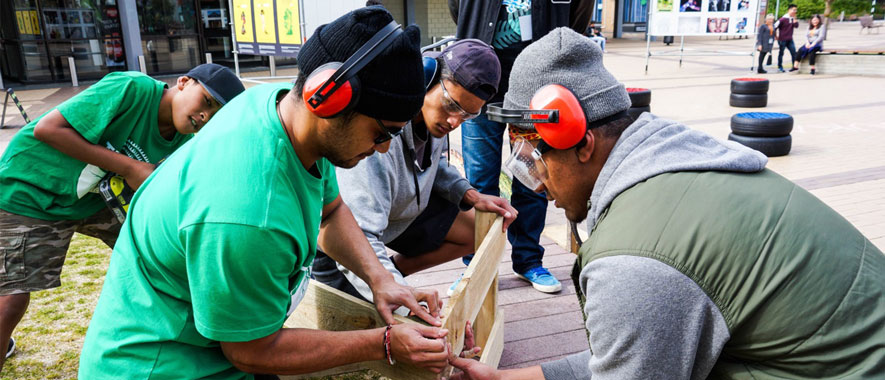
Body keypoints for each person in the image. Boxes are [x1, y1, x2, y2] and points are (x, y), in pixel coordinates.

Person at [447, 27, 885, 380]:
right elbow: (634, 354)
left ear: (582, 144)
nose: (537, 186)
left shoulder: (635, 256)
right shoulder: (681, 164)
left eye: (535, 161)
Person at [78, 8, 451, 379]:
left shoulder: (280, 109)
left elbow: (331, 210)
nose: (384, 149)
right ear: (328, 99)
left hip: (208, 351)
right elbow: (254, 351)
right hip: (159, 367)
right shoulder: (248, 213)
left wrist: (381, 280)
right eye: (382, 133)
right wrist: (383, 343)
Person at [0, 63, 243, 372]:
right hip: (33, 187)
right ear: (183, 82)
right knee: (11, 299)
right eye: (206, 101)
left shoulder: (189, 141)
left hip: (96, 200)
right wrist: (130, 167)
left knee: (169, 259)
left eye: (215, 114)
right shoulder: (132, 88)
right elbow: (47, 129)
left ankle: (200, 347)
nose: (204, 116)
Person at [313, 39, 517, 304]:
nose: (455, 121)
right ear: (425, 78)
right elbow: (358, 232)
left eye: (467, 115)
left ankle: (393, 273)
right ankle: (389, 280)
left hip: (399, 214)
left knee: (476, 229)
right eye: (452, 105)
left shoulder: (434, 121)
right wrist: (398, 297)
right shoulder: (381, 138)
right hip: (344, 245)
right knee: (375, 328)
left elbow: (433, 164)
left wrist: (470, 194)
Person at [447, 0, 593, 294]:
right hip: (480, 85)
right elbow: (458, 7)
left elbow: (578, 19)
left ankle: (528, 260)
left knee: (532, 178)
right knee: (479, 181)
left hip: (538, 90)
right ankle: (475, 266)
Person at [774, 4, 799, 72]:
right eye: (794, 10)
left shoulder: (792, 18)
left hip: (790, 39)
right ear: (789, 10)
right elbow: (774, 27)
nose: (795, 11)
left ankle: (794, 66)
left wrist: (794, 18)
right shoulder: (783, 19)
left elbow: (796, 26)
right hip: (782, 39)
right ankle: (780, 67)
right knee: (781, 53)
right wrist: (776, 36)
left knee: (793, 52)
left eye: (796, 10)